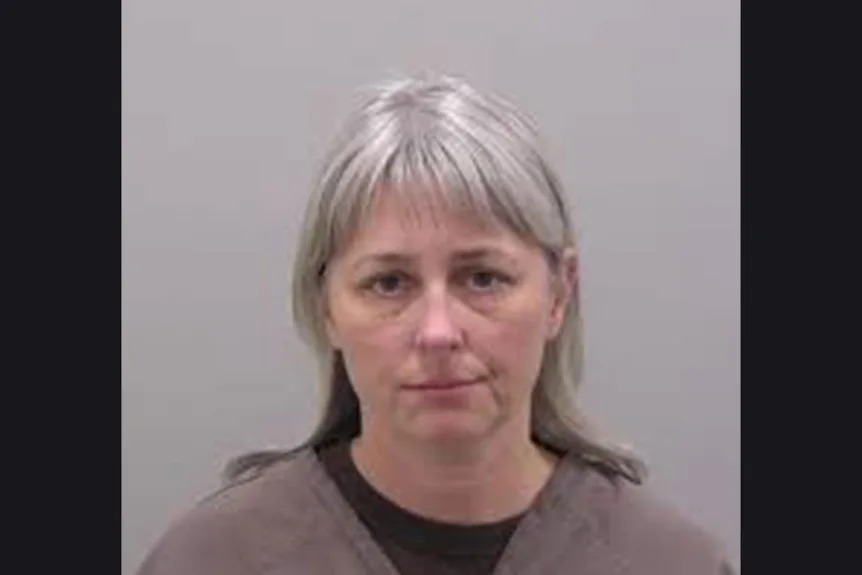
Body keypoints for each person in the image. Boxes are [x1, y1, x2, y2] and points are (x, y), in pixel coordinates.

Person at [138, 74, 736, 575]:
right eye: (388, 283)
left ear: (559, 294)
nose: (438, 333)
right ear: (326, 308)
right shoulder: (214, 560)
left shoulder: (671, 563)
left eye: (483, 278)